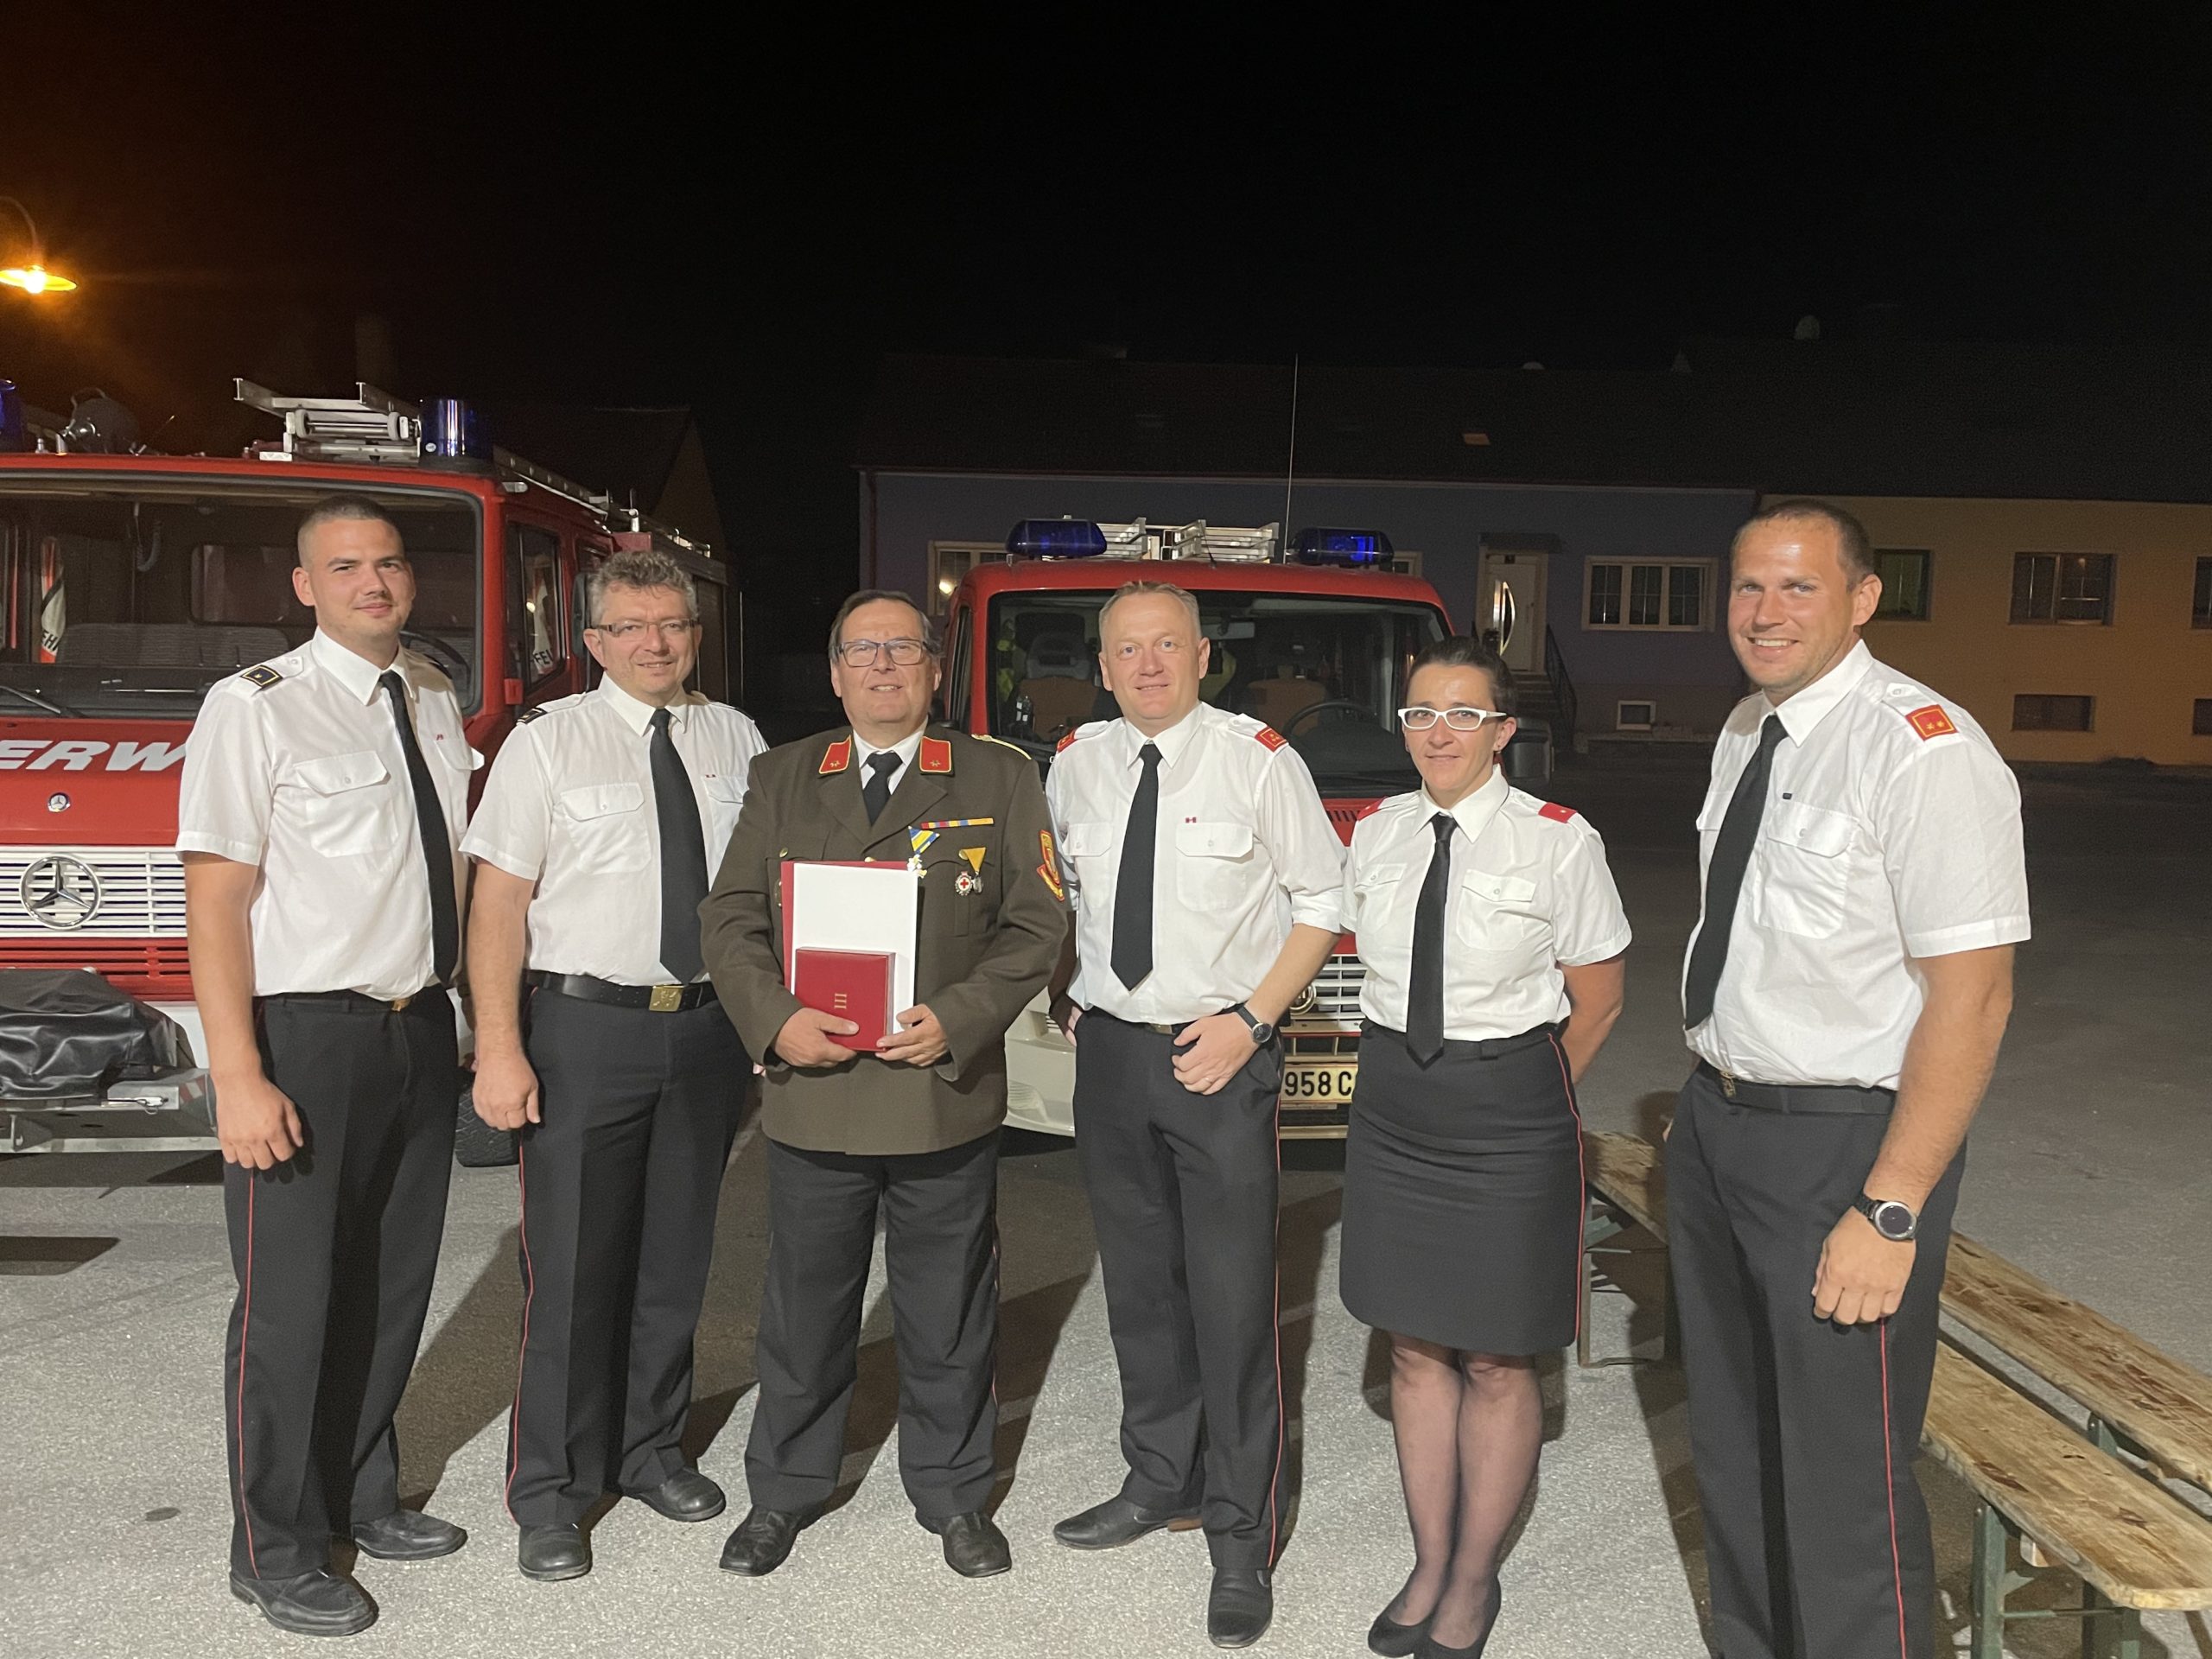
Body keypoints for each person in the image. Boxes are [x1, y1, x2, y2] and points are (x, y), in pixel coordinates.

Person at [1670, 500, 2026, 1659]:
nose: (1765, 613)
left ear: (1864, 598)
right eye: (1748, 587)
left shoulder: (1923, 748)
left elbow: (1974, 996)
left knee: (1845, 1484)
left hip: (1842, 1149)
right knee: (1735, 1446)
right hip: (1720, 1121)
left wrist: (1892, 1205)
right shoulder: (1748, 728)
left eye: (1799, 587)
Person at [699, 589, 1065, 1580]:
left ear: (934, 668)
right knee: (804, 1311)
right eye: (862, 650)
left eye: (903, 648)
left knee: (948, 1311)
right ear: (834, 672)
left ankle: (953, 1496)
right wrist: (775, 1019)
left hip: (938, 1090)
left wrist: (961, 1015)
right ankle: (783, 1491)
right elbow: (730, 916)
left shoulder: (996, 775)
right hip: (814, 1092)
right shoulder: (784, 775)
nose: (883, 666)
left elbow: (1037, 924)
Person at [179, 495, 475, 1637]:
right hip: (304, 1034)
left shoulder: (434, 696)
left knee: (390, 1288)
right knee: (291, 1303)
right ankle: (276, 1549)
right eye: (344, 567)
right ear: (304, 587)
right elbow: (217, 902)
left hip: (416, 1027)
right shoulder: (255, 707)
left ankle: (360, 1492)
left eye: (388, 563)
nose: (373, 583)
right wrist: (237, 1073)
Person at [1044, 580, 1345, 1650]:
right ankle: (1156, 1478)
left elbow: (1324, 902)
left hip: (1219, 1053)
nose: (1148, 665)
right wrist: (1073, 996)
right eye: (1127, 649)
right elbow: (1069, 896)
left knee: (1231, 1302)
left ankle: (1240, 1532)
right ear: (1103, 665)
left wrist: (1253, 1022)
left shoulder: (1257, 759)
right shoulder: (1074, 762)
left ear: (1203, 655)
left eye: (1167, 645)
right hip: (1113, 1056)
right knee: (1139, 1292)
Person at [461, 549, 766, 1581]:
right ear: (593, 641)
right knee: (573, 1271)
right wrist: (498, 1046)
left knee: (674, 1263)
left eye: (672, 623)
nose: (654, 643)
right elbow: (498, 903)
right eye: (630, 627)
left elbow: (762, 892)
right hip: (585, 1030)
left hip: (707, 1028)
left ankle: (649, 1451)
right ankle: (550, 1490)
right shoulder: (547, 741)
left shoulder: (735, 737)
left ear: (695, 633)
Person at [1337, 636, 1629, 1659]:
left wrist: (1527, 1101)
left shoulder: (1558, 841)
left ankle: (1472, 1578)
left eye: (1462, 713)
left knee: (1500, 1357)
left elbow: (1598, 1001)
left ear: (1502, 731)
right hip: (1393, 1112)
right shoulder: (1377, 833)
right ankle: (1428, 1559)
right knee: (1415, 1346)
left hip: (1510, 1116)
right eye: (1420, 713)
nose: (1439, 732)